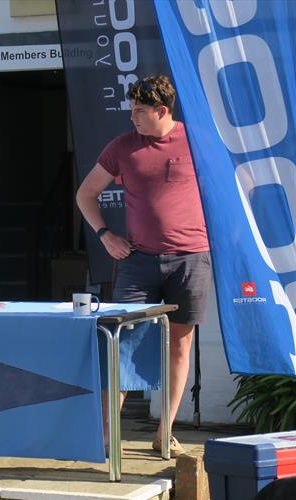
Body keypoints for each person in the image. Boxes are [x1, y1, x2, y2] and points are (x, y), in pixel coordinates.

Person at [75, 75, 211, 458]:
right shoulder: (122, 147)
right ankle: (103, 437)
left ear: (162, 111)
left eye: (139, 111)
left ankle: (162, 432)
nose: (132, 117)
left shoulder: (197, 139)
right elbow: (85, 194)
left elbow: (229, 186)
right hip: (138, 262)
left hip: (191, 260)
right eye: (131, 109)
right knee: (121, 346)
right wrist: (105, 234)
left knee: (180, 348)